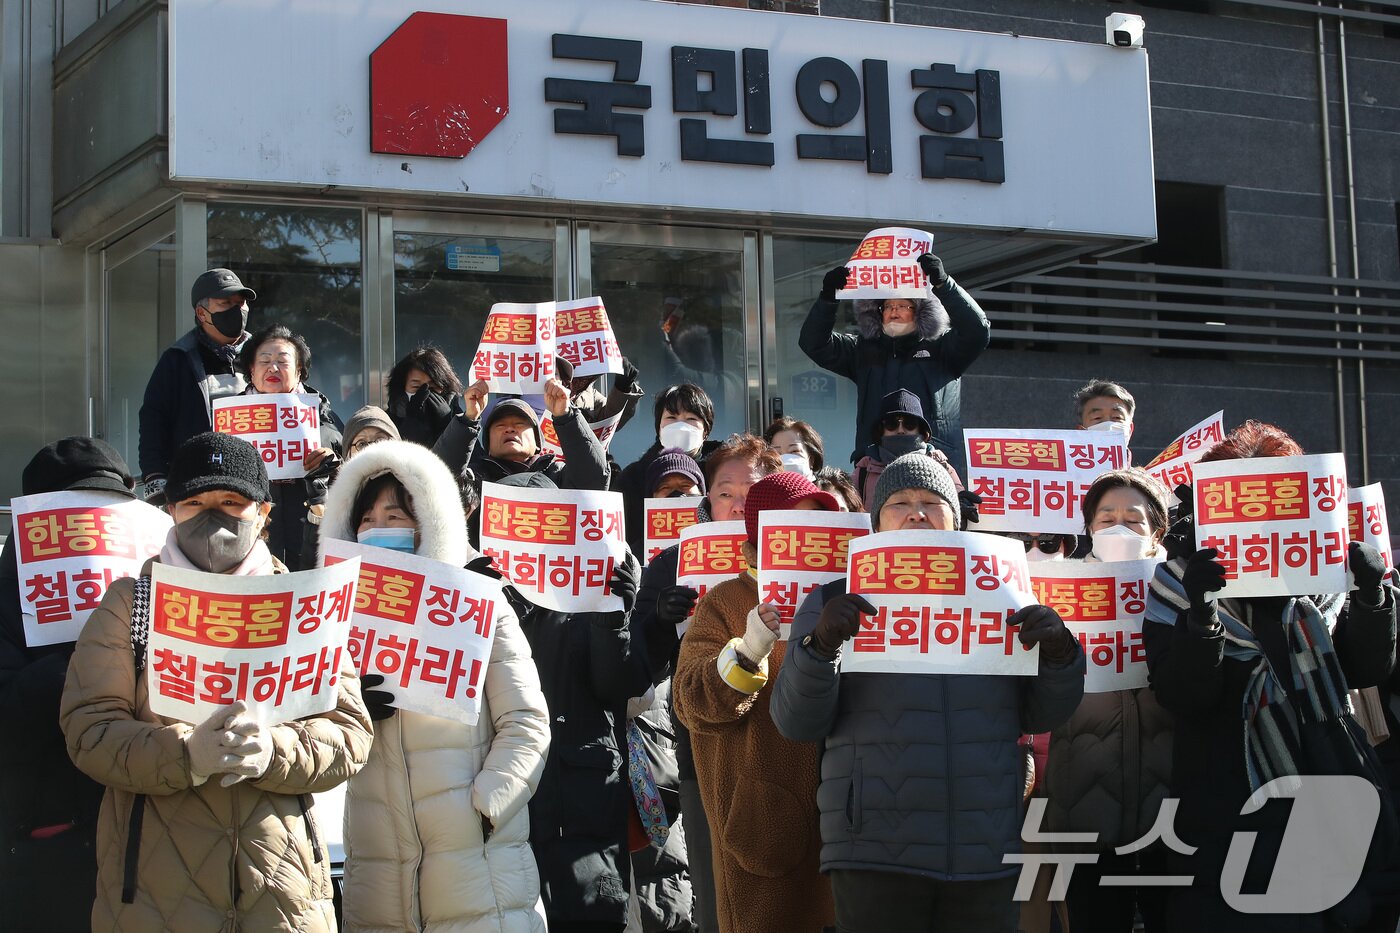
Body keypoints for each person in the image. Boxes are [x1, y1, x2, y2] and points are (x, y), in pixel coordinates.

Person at [58, 432, 372, 930]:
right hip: (153, 894)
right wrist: (185, 755)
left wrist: (275, 751)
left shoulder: (305, 603)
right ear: (171, 510)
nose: (213, 516)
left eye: (232, 502)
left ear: (264, 513)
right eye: (194, 502)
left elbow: (350, 733)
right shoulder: (129, 603)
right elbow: (89, 730)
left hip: (282, 891)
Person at [770, 452, 1086, 933]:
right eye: (899, 502)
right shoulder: (834, 599)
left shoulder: (1004, 595)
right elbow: (796, 722)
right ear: (877, 524)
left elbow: (1041, 715)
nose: (916, 512)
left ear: (954, 521)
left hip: (985, 847)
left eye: (932, 502)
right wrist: (820, 646)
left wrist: (1061, 654)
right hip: (874, 848)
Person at [1144, 420, 1398, 930]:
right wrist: (1201, 615)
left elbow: (1366, 669)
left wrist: (1372, 597)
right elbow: (1183, 694)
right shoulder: (1177, 583)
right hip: (1224, 800)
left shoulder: (1325, 582)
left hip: (1327, 787)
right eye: (1239, 494)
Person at [319, 438, 552, 933]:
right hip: (378, 872)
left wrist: (487, 806)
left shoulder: (474, 604)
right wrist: (351, 710)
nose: (377, 530)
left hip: (478, 868)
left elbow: (526, 721)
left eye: (396, 517)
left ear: (430, 522)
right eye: (365, 520)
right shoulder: (330, 620)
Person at [673, 470, 844, 933]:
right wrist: (748, 651)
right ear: (761, 532)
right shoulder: (726, 601)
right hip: (766, 821)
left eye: (820, 525)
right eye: (796, 525)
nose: (811, 538)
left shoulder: (853, 597)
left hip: (850, 820)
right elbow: (689, 701)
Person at [632, 435, 782, 933]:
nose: (739, 505)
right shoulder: (672, 564)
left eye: (753, 491)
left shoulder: (805, 557)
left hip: (793, 746)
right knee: (721, 897)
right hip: (705, 757)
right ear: (707, 500)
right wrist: (656, 619)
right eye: (725, 492)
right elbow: (638, 673)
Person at [492, 471, 651, 932]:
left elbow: (616, 687)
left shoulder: (591, 593)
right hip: (505, 802)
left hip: (582, 809)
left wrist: (614, 614)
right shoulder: (477, 593)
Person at [0, 437, 138, 931]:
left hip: (149, 839)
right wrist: (78, 657)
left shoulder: (164, 577)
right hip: (51, 840)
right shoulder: (7, 596)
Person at [1041, 468, 1173, 933]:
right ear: (1089, 528)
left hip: (1171, 804)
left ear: (1156, 531)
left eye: (1133, 520)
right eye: (1106, 517)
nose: (1118, 528)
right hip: (1083, 796)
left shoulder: (1181, 592)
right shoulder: (1059, 593)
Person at [799, 253, 990, 471]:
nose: (893, 311)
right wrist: (828, 299)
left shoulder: (943, 348)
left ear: (920, 312)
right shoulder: (862, 350)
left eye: (903, 305)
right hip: (874, 463)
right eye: (887, 306)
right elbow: (813, 343)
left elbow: (978, 330)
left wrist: (944, 284)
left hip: (933, 462)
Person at [138, 268, 255, 501]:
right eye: (226, 303)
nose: (237, 310)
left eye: (240, 303)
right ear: (202, 314)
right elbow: (153, 420)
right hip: (195, 487)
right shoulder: (177, 360)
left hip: (254, 485)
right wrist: (155, 479)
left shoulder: (264, 355)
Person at [234, 324, 344, 571]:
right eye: (264, 360)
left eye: (282, 361)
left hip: (309, 536)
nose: (273, 368)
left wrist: (329, 459)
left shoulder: (324, 418)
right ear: (251, 370)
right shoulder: (229, 421)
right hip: (248, 539)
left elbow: (347, 472)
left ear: (299, 372)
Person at [618, 385, 723, 556]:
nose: (680, 426)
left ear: (706, 430)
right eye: (671, 418)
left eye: (690, 418)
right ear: (659, 427)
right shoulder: (633, 477)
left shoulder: (720, 473)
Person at [465, 379, 609, 494]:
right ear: (488, 444)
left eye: (519, 424)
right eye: (500, 426)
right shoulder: (472, 478)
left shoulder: (558, 474)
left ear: (538, 443)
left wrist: (566, 416)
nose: (509, 429)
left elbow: (595, 479)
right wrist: (467, 420)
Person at [851, 389, 964, 511]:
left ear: (920, 430)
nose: (900, 430)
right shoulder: (863, 471)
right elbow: (849, 510)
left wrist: (964, 503)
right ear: (881, 430)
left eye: (909, 424)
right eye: (891, 424)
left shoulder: (941, 467)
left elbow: (960, 504)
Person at [627, 447, 706, 561]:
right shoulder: (634, 556)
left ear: (701, 492)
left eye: (685, 485)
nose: (677, 493)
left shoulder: (719, 544)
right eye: (665, 487)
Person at [386, 345, 466, 447]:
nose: (425, 393)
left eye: (433, 387)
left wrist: (447, 424)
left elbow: (471, 457)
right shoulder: (388, 422)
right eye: (416, 386)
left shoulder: (460, 422)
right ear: (402, 388)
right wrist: (411, 424)